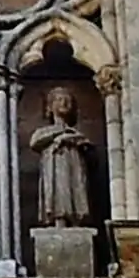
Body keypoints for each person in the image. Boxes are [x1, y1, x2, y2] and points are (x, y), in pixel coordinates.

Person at [29, 89, 92, 227]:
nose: (64, 102)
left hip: (74, 167)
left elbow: (87, 145)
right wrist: (60, 133)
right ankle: (59, 222)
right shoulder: (44, 131)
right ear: (50, 107)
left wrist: (69, 138)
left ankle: (76, 221)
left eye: (67, 100)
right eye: (59, 99)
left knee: (76, 188)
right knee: (58, 192)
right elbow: (34, 142)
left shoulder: (75, 133)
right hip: (54, 168)